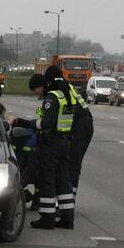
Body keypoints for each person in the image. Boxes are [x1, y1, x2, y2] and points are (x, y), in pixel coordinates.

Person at [13, 69, 75, 229]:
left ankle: (47, 218)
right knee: (63, 181)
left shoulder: (52, 97)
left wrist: (26, 123)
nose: (36, 93)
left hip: (51, 143)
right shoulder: (67, 95)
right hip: (65, 142)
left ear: (43, 84)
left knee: (47, 180)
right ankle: (67, 218)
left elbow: (46, 123)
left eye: (36, 89)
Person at [43, 67, 94, 196]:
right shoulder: (67, 86)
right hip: (83, 124)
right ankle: (67, 198)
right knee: (69, 164)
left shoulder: (59, 89)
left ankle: (69, 199)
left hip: (81, 126)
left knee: (72, 164)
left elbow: (64, 115)